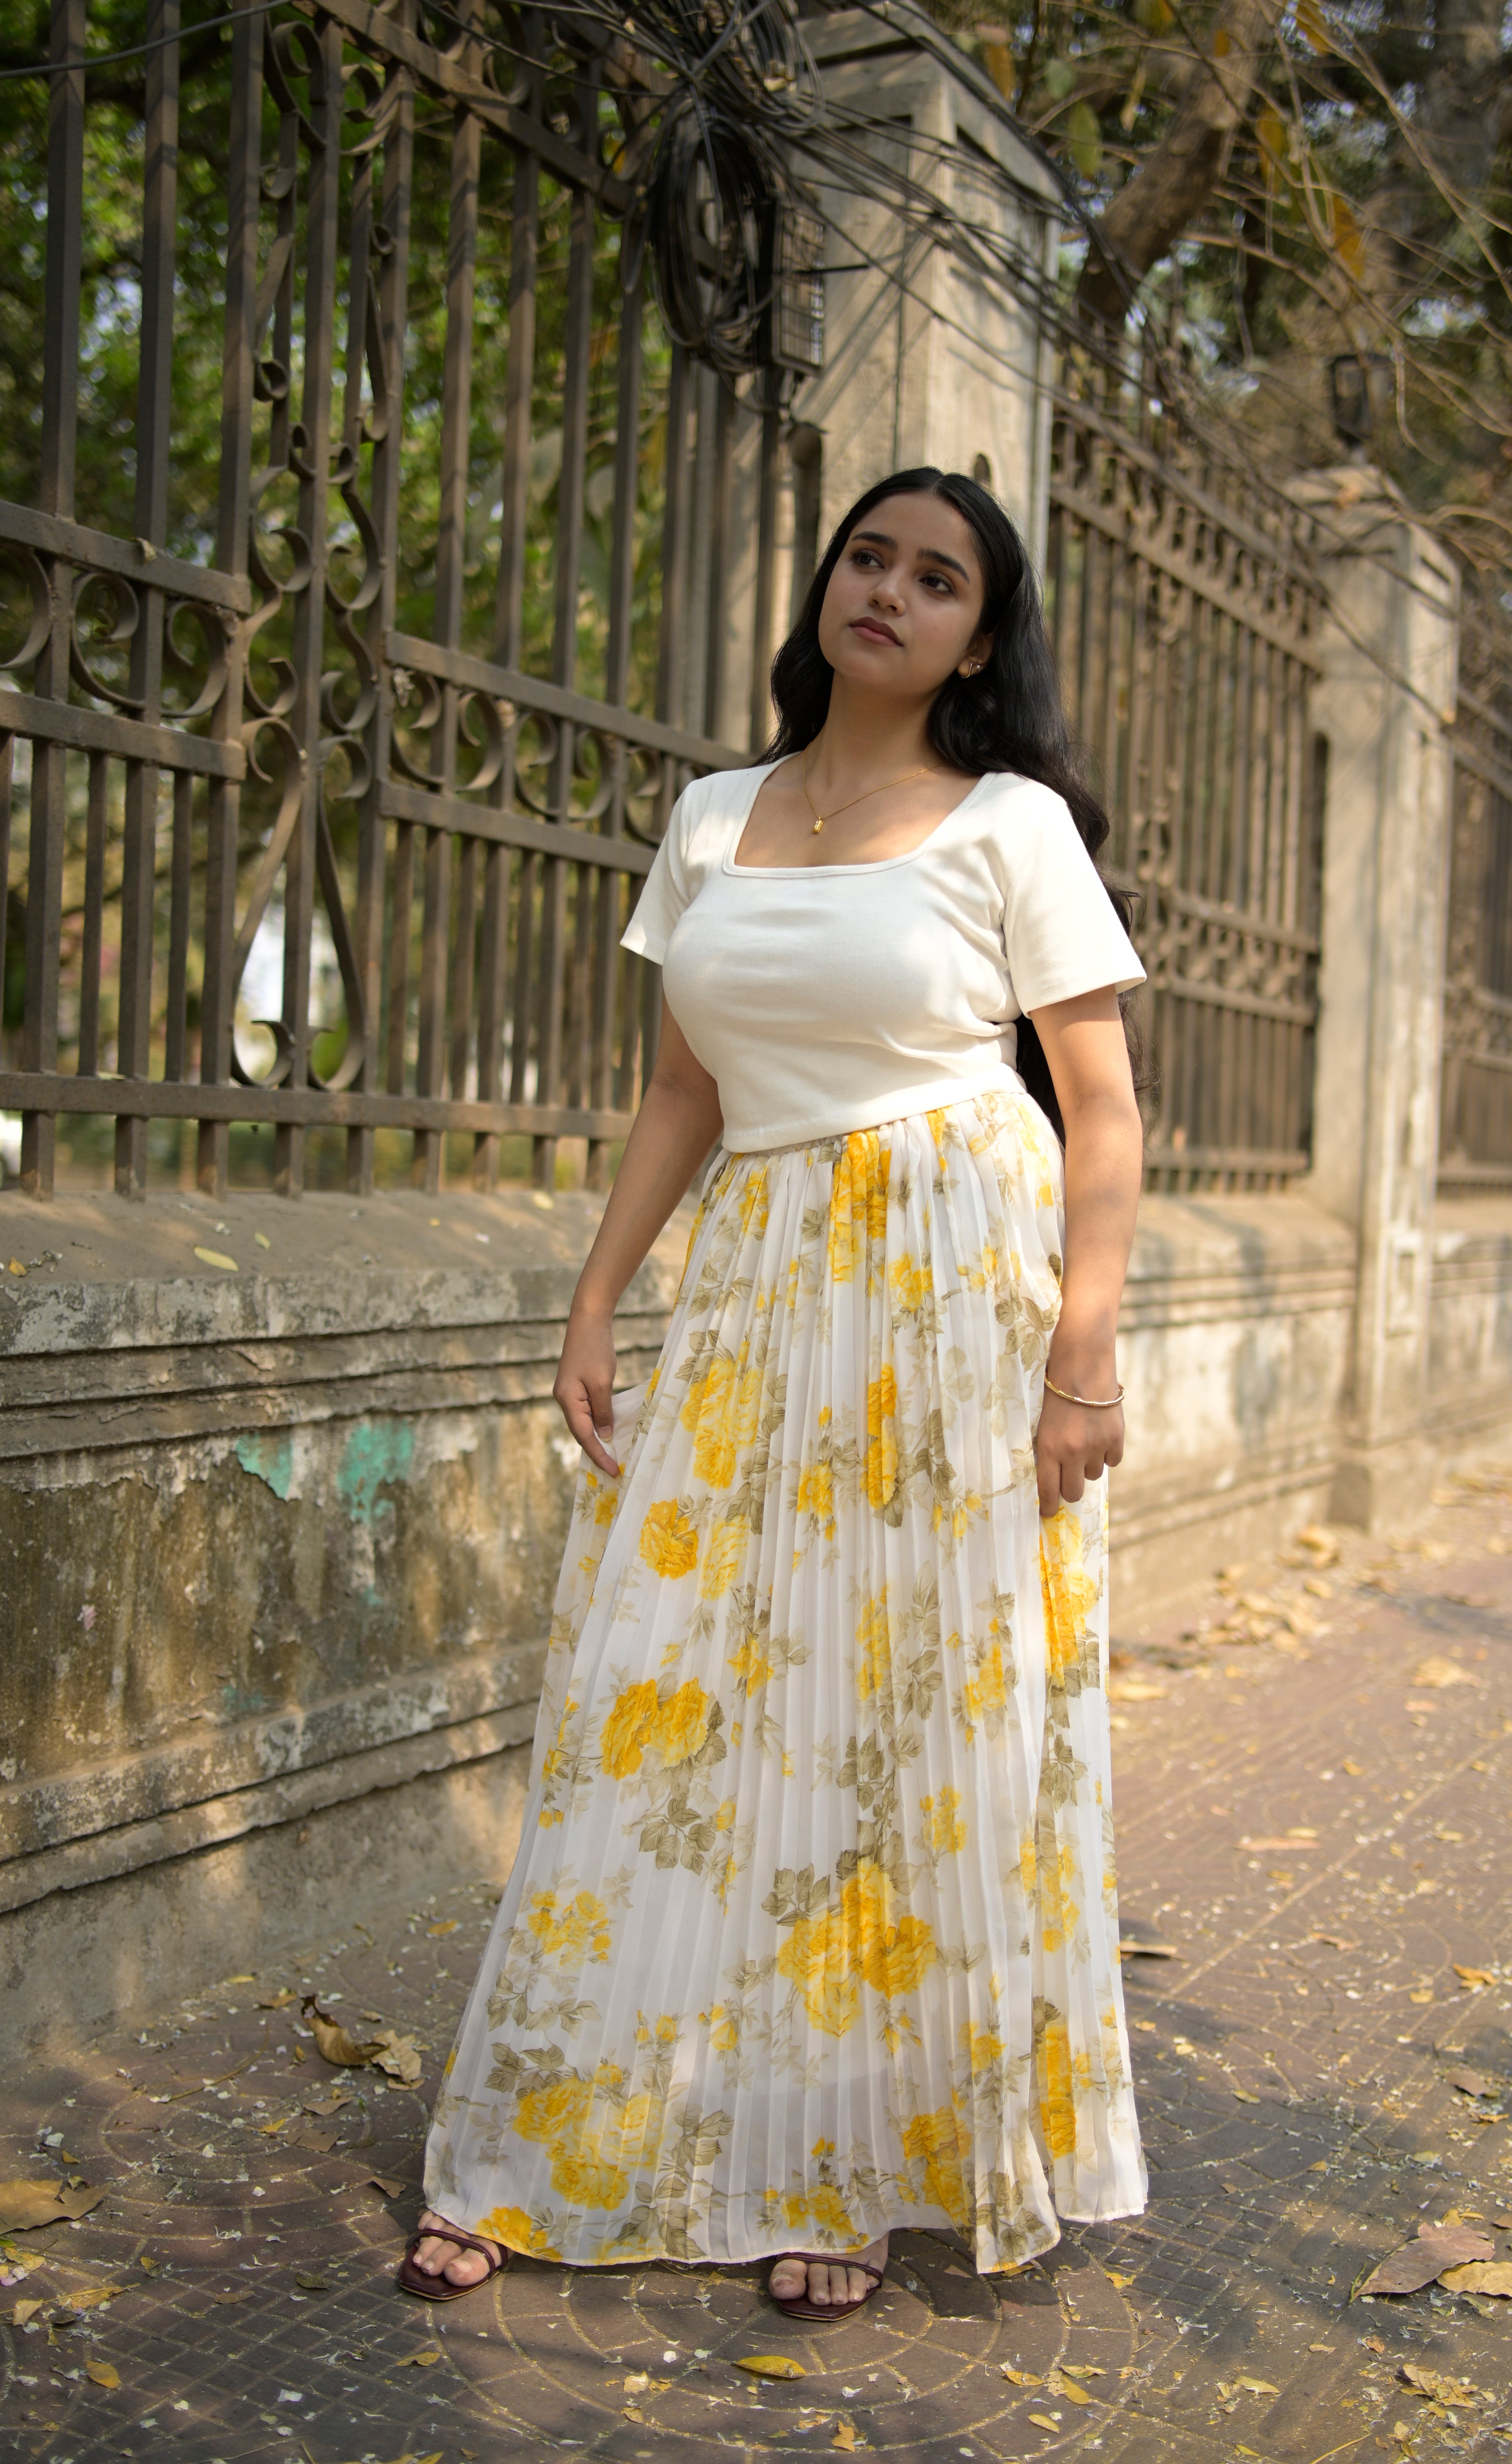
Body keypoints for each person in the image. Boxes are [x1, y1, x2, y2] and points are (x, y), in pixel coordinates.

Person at [401, 466, 1149, 2320]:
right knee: (660, 1699)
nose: (890, 593)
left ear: (983, 634)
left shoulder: (1010, 830)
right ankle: (539, 2144)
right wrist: (596, 1300)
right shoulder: (716, 816)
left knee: (899, 1722)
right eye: (869, 559)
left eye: (939, 578)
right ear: (827, 585)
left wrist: (1084, 1362)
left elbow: (1108, 1111)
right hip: (754, 1297)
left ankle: (857, 2163)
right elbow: (684, 1090)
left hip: (953, 1301)